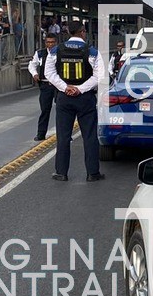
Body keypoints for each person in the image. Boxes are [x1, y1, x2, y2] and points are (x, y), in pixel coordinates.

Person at [44, 21, 104, 182]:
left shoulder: (56, 50)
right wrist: (80, 89)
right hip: (85, 98)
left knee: (63, 136)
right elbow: (100, 76)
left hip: (64, 98)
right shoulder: (92, 52)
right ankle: (93, 173)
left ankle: (61, 172)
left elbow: (48, 73)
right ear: (83, 32)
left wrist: (65, 87)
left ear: (68, 32)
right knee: (89, 136)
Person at [29, 34, 60, 141]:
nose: (50, 44)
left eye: (52, 42)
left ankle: (63, 135)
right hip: (45, 85)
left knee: (61, 110)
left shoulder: (60, 52)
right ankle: (41, 133)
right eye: (48, 42)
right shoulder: (40, 53)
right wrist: (34, 74)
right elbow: (32, 64)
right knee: (44, 110)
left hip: (58, 85)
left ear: (56, 42)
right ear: (45, 43)